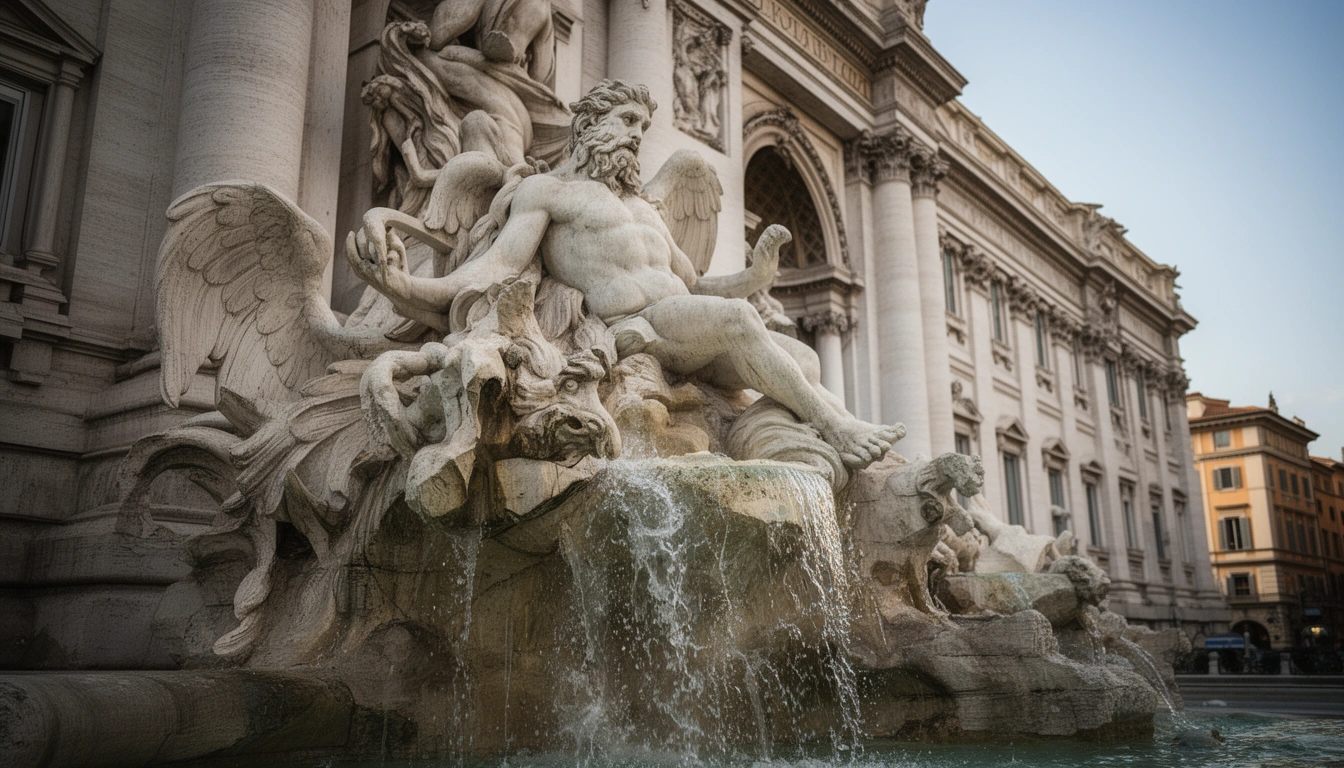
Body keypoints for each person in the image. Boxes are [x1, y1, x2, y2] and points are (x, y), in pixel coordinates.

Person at [349, 80, 902, 469]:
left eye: (645, 125)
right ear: (590, 125)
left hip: (686, 323)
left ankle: (794, 445)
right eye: (628, 121)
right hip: (637, 325)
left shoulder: (646, 207)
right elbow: (494, 268)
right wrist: (400, 286)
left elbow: (697, 285)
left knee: (802, 359)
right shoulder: (548, 192)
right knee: (738, 322)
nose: (639, 135)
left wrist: (754, 277)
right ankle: (838, 428)